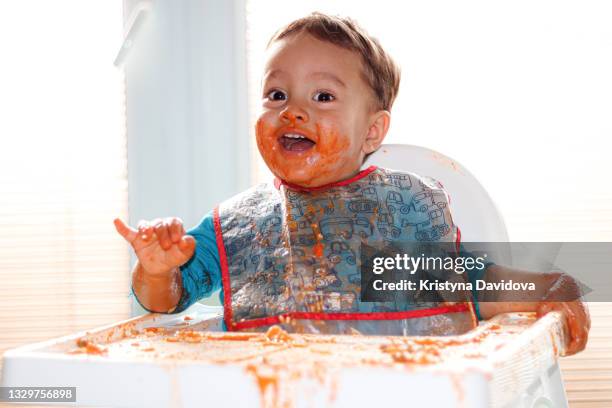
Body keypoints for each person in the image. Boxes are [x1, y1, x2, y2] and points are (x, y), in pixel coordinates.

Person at [114, 12, 589, 354]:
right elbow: (167, 302)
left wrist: (548, 286)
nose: (292, 110)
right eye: (276, 93)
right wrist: (157, 271)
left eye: (323, 96)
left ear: (373, 131)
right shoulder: (241, 226)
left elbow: (463, 285)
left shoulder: (392, 216)